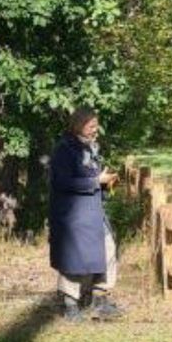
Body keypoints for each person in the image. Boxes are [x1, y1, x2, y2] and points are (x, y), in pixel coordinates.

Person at [48, 107, 123, 322]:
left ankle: (99, 299)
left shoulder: (90, 147)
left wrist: (107, 182)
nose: (95, 130)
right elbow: (61, 182)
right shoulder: (64, 149)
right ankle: (70, 304)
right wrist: (95, 182)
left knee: (108, 248)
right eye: (91, 126)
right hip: (73, 215)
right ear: (78, 125)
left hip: (93, 212)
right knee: (74, 258)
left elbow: (94, 176)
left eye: (96, 125)